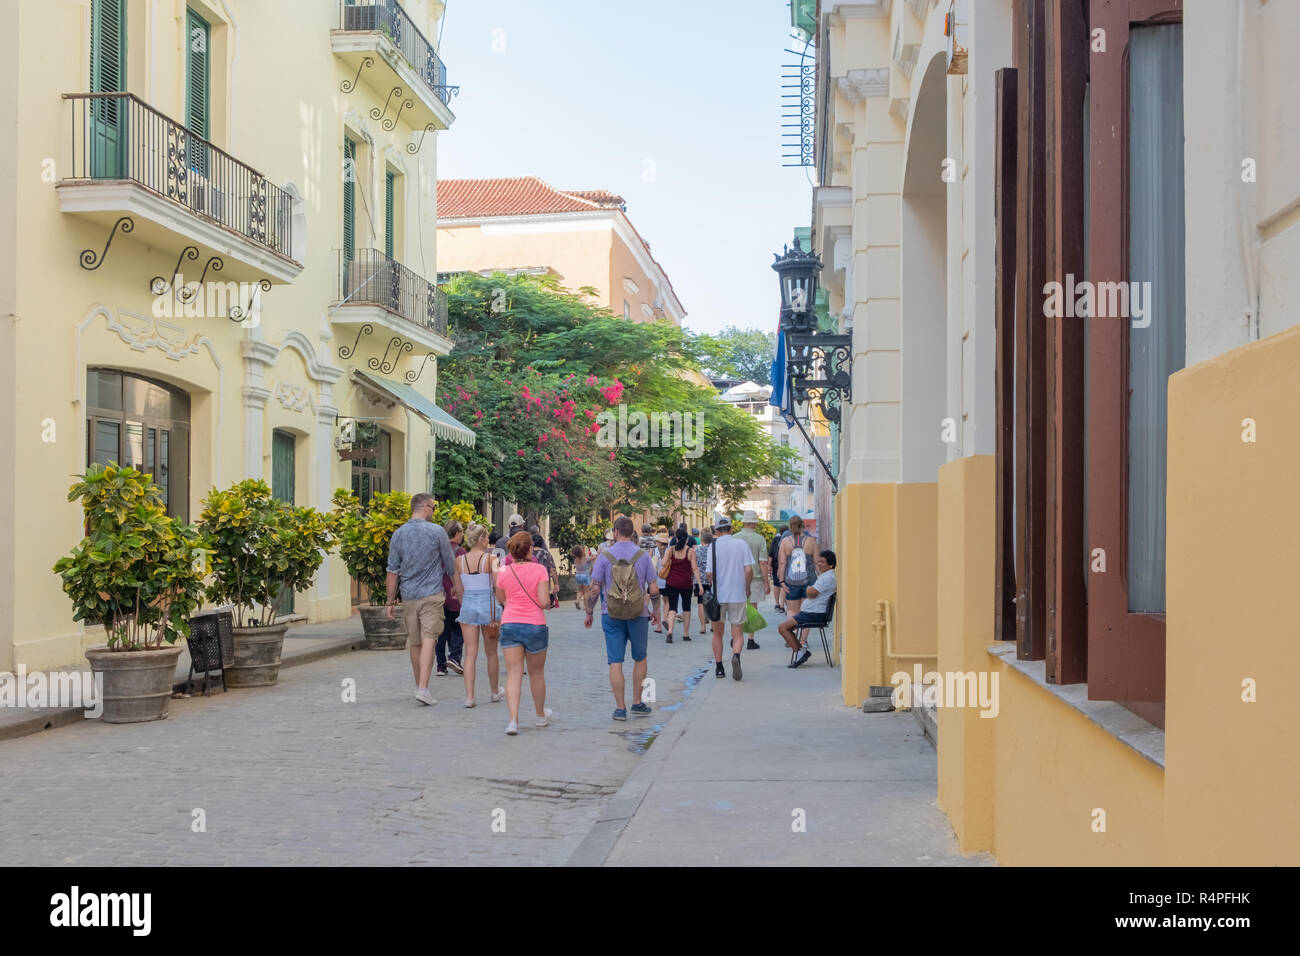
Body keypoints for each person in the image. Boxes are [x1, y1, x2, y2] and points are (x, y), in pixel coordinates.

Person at [385, 493, 460, 706]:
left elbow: (392, 571)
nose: (434, 512)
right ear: (426, 507)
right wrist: (457, 589)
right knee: (430, 638)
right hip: (431, 594)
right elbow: (449, 563)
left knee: (415, 642)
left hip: (408, 596)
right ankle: (423, 688)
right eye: (434, 508)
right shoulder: (437, 532)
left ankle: (420, 685)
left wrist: (390, 601)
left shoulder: (398, 534)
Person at [586, 515, 660, 720]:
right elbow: (653, 588)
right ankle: (638, 702)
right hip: (638, 613)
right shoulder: (643, 556)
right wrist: (656, 610)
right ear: (632, 533)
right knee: (640, 657)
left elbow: (594, 590)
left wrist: (589, 611)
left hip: (611, 613)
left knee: (615, 661)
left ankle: (620, 708)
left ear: (616, 532)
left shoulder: (604, 556)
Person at [494, 531, 553, 735]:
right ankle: (539, 715)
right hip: (535, 624)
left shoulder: (503, 571)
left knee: (513, 674)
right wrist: (548, 600)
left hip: (510, 623)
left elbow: (501, 597)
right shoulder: (539, 570)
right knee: (536, 674)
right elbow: (544, 601)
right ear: (529, 549)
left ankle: (513, 720)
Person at [454, 523, 505, 707]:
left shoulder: (459, 561)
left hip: (468, 605)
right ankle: (493, 691)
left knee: (470, 653)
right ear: (483, 539)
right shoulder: (492, 559)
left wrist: (464, 604)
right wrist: (503, 604)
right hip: (488, 607)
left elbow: (458, 590)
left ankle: (469, 697)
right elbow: (498, 586)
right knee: (491, 653)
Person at [704, 514, 754, 681]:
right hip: (737, 594)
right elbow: (748, 570)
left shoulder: (713, 546)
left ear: (717, 530)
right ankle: (736, 656)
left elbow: (709, 574)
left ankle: (719, 667)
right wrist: (747, 588)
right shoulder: (741, 544)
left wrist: (713, 582)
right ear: (731, 529)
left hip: (718, 596)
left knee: (717, 633)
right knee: (737, 633)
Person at [778, 550, 837, 668]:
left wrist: (807, 589)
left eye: (823, 562)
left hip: (814, 614)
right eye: (819, 561)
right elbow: (811, 592)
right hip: (811, 613)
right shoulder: (825, 576)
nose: (819, 564)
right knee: (786, 627)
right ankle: (800, 651)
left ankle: (800, 652)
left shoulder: (827, 577)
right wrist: (809, 589)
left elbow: (812, 593)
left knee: (783, 627)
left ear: (830, 565)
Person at [734, 510, 771, 650]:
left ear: (743, 522)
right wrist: (767, 582)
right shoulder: (760, 539)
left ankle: (736, 636)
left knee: (737, 607)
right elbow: (763, 562)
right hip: (755, 578)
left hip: (737, 577)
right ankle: (750, 638)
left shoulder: (735, 538)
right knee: (753, 607)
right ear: (755, 523)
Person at [777, 515, 817, 637]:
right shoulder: (811, 541)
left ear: (790, 527)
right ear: (803, 525)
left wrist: (782, 581)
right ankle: (803, 641)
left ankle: (793, 635)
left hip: (791, 582)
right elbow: (816, 563)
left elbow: (782, 563)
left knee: (792, 611)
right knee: (806, 611)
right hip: (809, 581)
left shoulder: (785, 542)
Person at [659, 527, 700, 643]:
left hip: (671, 582)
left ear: (676, 538)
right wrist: (700, 585)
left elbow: (662, 563)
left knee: (672, 608)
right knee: (686, 608)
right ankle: (686, 634)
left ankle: (670, 631)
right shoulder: (690, 551)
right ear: (687, 539)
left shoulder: (671, 550)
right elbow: (695, 568)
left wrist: (669, 562)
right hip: (686, 583)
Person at [437, 520, 466, 676]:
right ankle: (454, 657)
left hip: (439, 593)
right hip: (454, 594)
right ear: (457, 533)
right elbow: (463, 573)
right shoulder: (459, 551)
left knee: (441, 631)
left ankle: (440, 665)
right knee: (458, 629)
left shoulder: (438, 550)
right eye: (462, 531)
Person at [695, 528, 714, 636]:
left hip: (699, 580)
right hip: (711, 579)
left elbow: (694, 565)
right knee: (712, 602)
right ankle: (712, 625)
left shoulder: (697, 549)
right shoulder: (714, 550)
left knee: (700, 603)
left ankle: (702, 627)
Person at [651, 530, 670, 631]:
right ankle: (665, 618)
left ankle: (658, 627)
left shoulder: (653, 551)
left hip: (655, 580)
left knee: (657, 603)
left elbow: (650, 565)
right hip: (666, 579)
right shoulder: (669, 550)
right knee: (666, 601)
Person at [769, 526, 787, 613]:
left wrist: (769, 565)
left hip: (776, 564)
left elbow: (771, 553)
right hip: (786, 565)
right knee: (784, 584)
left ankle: (777, 603)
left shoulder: (776, 539)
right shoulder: (789, 539)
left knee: (776, 584)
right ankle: (783, 604)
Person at [572, 544, 595, 610]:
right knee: (586, 592)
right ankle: (585, 606)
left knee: (580, 591)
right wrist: (593, 552)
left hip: (578, 576)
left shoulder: (576, 559)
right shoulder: (585, 559)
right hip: (585, 575)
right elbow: (594, 557)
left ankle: (577, 600)